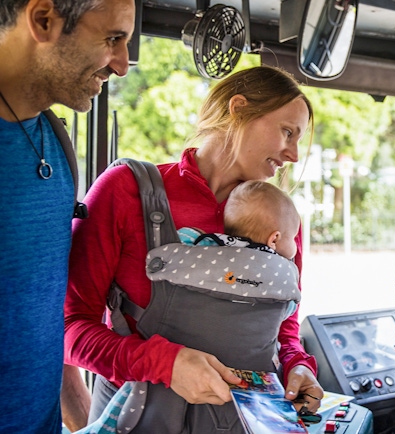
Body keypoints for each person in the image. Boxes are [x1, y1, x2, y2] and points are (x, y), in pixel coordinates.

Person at [64, 66, 323, 431]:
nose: (293, 154)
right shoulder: (125, 190)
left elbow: (285, 332)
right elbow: (71, 329)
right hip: (137, 417)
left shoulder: (281, 220)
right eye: (287, 132)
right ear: (238, 108)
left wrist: (298, 366)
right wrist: (164, 364)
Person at [0, 1, 134, 432]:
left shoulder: (55, 141)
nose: (122, 65)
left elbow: (35, 310)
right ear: (43, 20)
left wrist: (80, 418)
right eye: (113, 39)